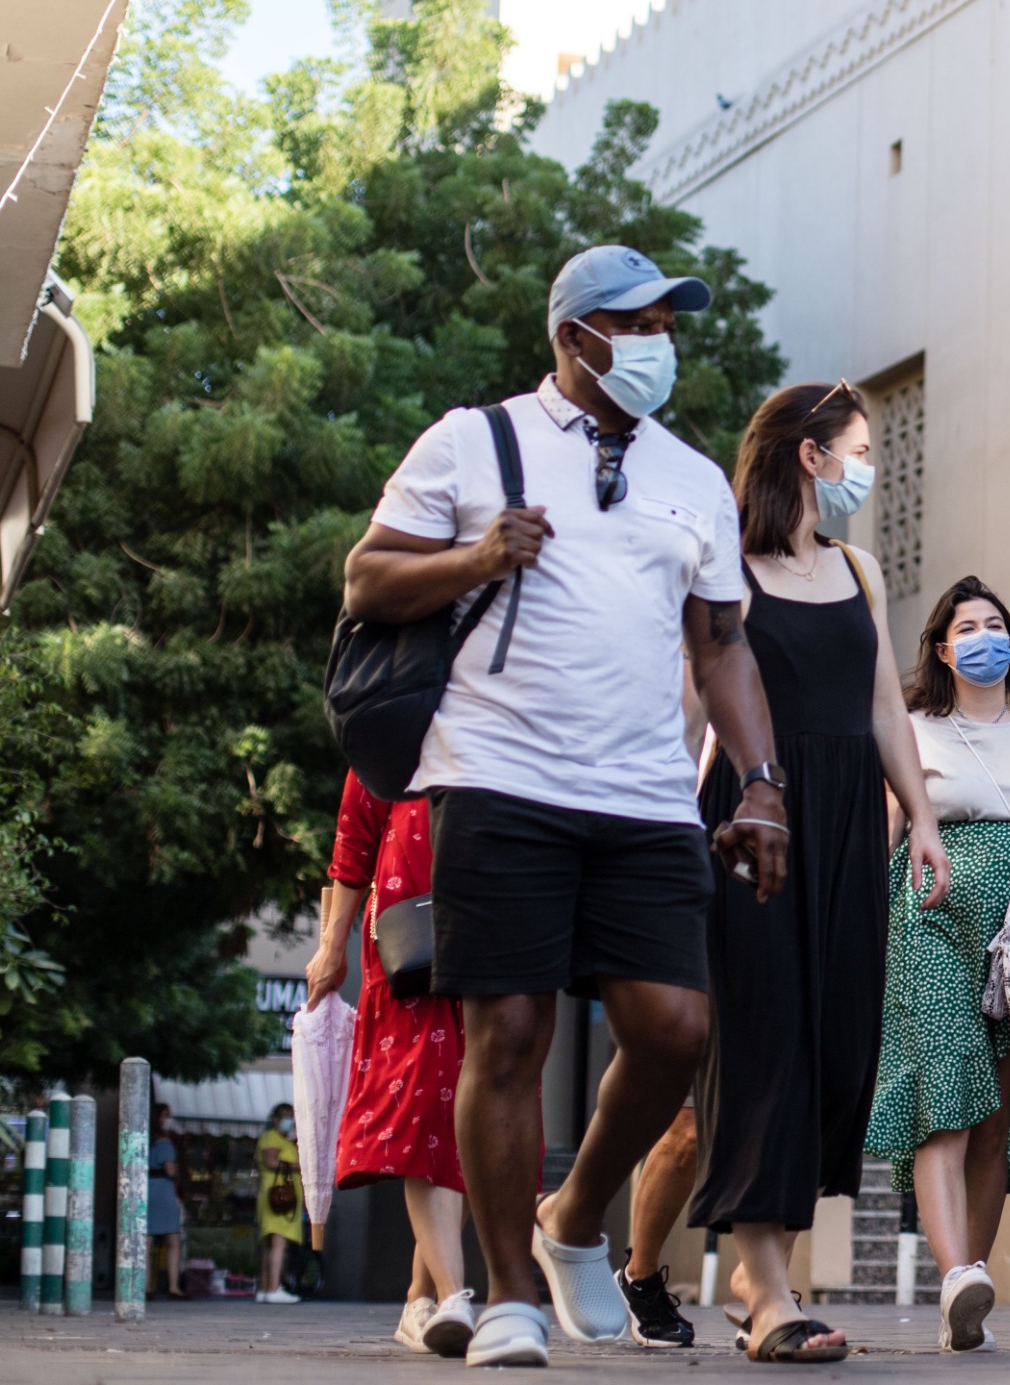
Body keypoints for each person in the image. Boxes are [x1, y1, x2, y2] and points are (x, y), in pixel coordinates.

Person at [341, 244, 794, 1367]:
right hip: (498, 779)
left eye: (667, 326)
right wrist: (475, 555)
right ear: (575, 336)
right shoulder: (474, 440)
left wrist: (762, 780)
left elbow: (724, 644)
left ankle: (573, 1214)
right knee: (509, 1031)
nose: (659, 345)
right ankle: (507, 1296)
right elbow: (365, 577)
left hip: (643, 793)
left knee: (674, 1027)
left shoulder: (691, 473)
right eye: (637, 324)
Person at [682, 380, 951, 1364]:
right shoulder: (728, 572)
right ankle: (769, 1290)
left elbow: (885, 704)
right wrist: (670, 829)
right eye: (862, 447)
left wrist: (919, 815)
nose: (869, 466)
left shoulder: (857, 569)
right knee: (765, 1048)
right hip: (752, 828)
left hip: (847, 826)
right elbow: (690, 719)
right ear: (811, 453)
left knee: (837, 1047)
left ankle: (766, 1277)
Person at [866, 576, 1010, 1351]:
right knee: (947, 1093)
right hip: (931, 919)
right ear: (941, 647)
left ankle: (970, 1286)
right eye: (966, 626)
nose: (983, 637)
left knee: (995, 1115)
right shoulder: (912, 729)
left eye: (995, 623)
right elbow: (885, 838)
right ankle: (957, 1271)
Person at [305, 769, 478, 1356]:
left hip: (493, 918)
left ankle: (418, 1301)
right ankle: (453, 1296)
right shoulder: (394, 712)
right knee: (427, 1111)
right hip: (412, 935)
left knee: (473, 1123)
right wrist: (331, 946)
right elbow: (353, 841)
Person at [255, 1102, 306, 1302]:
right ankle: (274, 1287)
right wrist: (297, 1165)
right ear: (275, 1119)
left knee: (271, 1243)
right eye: (285, 1116)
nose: (289, 1121)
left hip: (275, 1195)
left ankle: (266, 1288)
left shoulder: (283, 1139)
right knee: (278, 1241)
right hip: (279, 1196)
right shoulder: (272, 1138)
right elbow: (271, 1161)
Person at [145, 1104, 187, 1301]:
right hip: (163, 1190)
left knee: (146, 1240)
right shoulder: (164, 1143)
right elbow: (170, 1170)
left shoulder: (142, 1139)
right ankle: (173, 1286)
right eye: (166, 1116)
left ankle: (145, 1285)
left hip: (145, 1188)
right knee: (172, 1239)